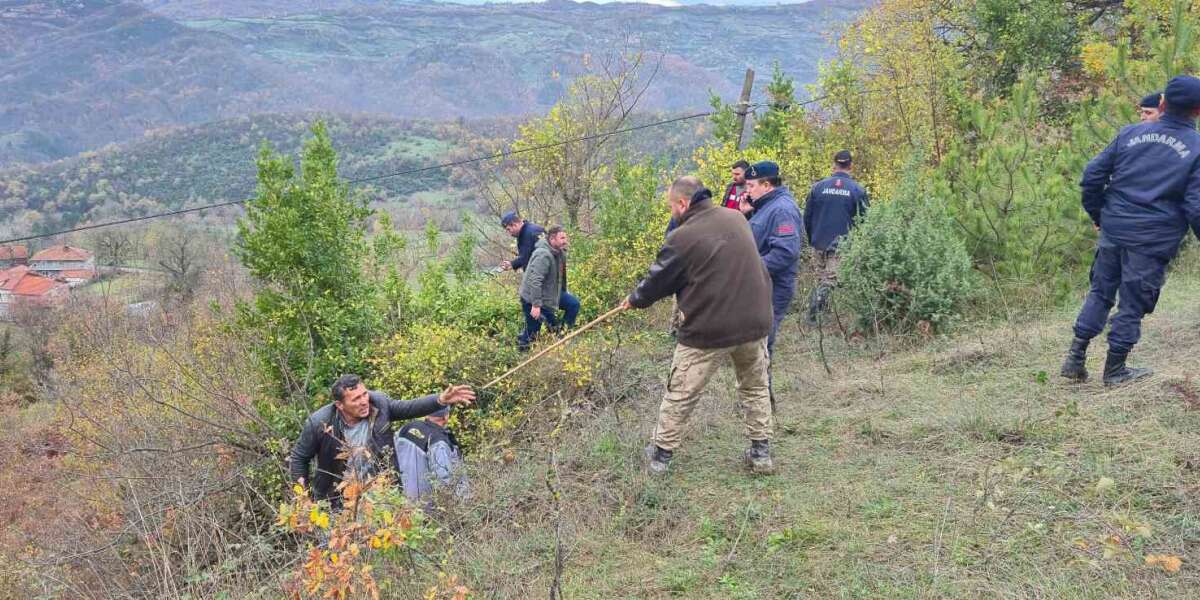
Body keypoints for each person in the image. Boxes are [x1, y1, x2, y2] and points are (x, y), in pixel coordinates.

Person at [621, 176, 776, 475]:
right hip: (755, 321)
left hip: (709, 328)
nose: (671, 212)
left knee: (680, 391)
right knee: (755, 387)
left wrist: (635, 300)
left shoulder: (681, 237)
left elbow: (658, 280)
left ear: (682, 203)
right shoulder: (736, 217)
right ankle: (761, 455)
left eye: (671, 206)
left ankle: (660, 458)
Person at [1060, 75, 1200, 386]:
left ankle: (1075, 358)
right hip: (1152, 239)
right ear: (1198, 111)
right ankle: (1114, 371)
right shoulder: (1196, 149)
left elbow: (1092, 176)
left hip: (1114, 228)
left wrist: (1100, 215)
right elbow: (1196, 206)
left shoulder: (1130, 134)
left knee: (1100, 291)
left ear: (1162, 104)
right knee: (1133, 303)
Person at [289, 375, 476, 506]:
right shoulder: (319, 423)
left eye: (364, 394)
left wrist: (441, 400)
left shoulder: (379, 404)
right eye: (356, 399)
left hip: (380, 493)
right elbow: (299, 458)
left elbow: (409, 407)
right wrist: (302, 496)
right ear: (340, 405)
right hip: (337, 497)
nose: (364, 401)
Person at [802, 150, 869, 326]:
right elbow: (865, 221)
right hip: (841, 244)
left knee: (821, 279)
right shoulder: (857, 190)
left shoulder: (818, 187)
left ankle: (820, 317)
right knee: (830, 280)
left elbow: (807, 217)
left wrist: (812, 239)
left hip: (818, 240)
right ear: (851, 166)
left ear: (834, 165)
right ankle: (813, 316)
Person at [517, 225, 580, 350]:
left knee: (573, 304)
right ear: (552, 239)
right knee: (533, 332)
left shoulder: (559, 253)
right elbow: (535, 281)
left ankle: (563, 336)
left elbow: (560, 276)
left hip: (550, 294)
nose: (565, 241)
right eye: (562, 238)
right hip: (532, 299)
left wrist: (562, 291)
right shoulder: (543, 255)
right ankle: (522, 351)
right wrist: (535, 305)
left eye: (565, 238)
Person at [394, 405, 468, 504]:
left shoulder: (406, 428)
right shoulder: (438, 443)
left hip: (399, 500)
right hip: (424, 511)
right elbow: (445, 482)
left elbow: (390, 455)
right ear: (446, 416)